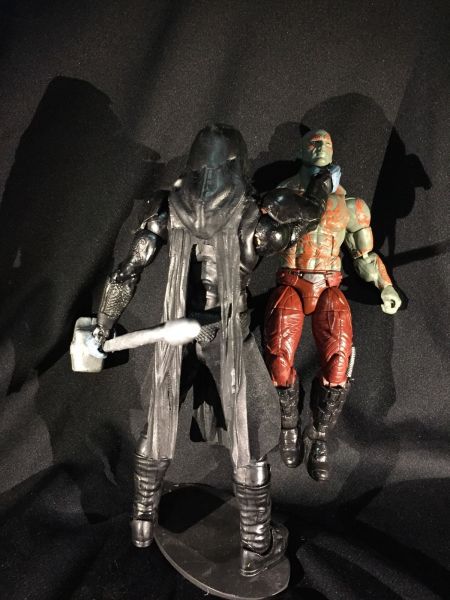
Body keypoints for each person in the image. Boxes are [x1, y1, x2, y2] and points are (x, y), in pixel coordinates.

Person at [89, 124, 332, 576]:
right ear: (238, 165)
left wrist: (103, 326)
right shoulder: (256, 216)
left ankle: (142, 523)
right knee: (250, 437)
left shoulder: (166, 209)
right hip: (226, 335)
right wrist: (320, 186)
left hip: (176, 335)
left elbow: (127, 271)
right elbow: (310, 218)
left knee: (158, 423)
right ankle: (255, 547)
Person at [264, 129, 402, 481]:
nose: (321, 146)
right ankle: (289, 425)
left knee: (339, 362)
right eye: (314, 142)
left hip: (329, 283)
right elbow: (254, 241)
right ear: (300, 150)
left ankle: (319, 434)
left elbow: (364, 255)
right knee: (278, 358)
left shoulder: (350, 206)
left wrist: (385, 285)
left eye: (327, 142)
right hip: (291, 281)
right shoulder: (280, 196)